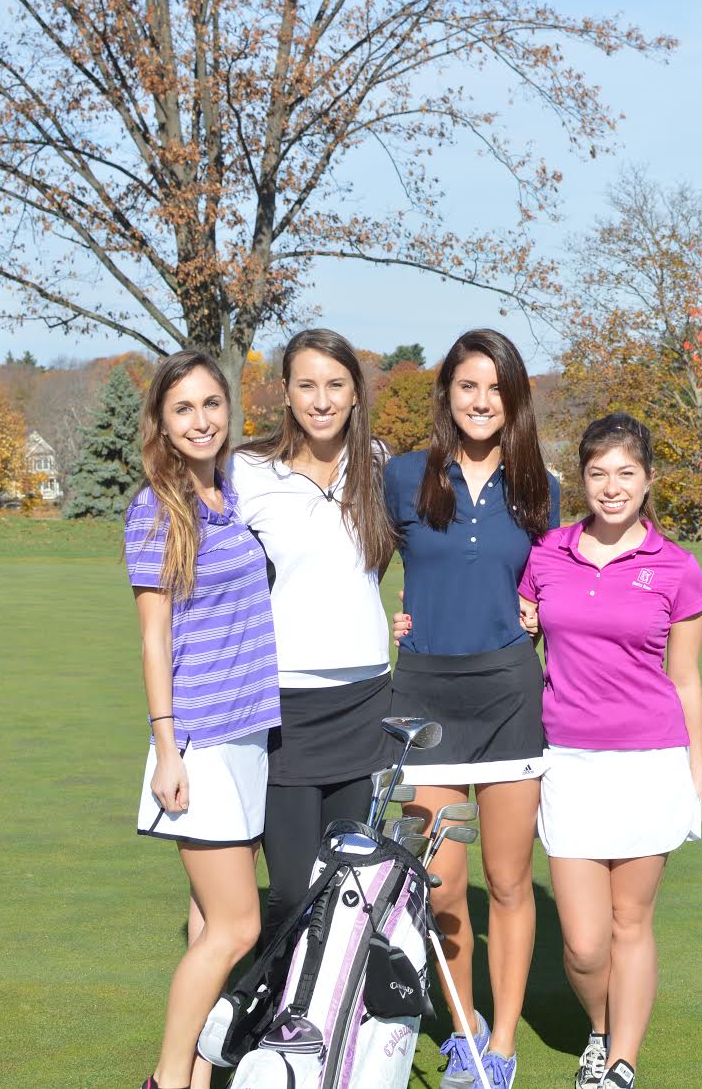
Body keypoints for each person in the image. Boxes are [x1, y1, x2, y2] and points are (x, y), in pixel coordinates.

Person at [385, 328, 559, 1089]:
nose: (481, 400)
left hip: (510, 699)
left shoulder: (540, 488)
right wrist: (377, 621)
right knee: (443, 883)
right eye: (467, 386)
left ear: (512, 398)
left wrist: (542, 617)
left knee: (511, 881)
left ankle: (502, 1046)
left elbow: (555, 584)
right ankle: (465, 1028)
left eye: (495, 387)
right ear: (447, 395)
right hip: (424, 698)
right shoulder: (399, 477)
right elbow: (350, 567)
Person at [516, 413, 702, 1089]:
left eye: (626, 472)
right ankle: (599, 1025)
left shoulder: (677, 569)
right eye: (598, 472)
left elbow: (685, 679)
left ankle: (621, 1057)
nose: (612, 486)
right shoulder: (547, 555)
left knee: (632, 922)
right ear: (583, 478)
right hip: (568, 762)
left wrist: (696, 776)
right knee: (583, 942)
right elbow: (515, 642)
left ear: (649, 480)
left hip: (651, 763)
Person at [126, 352, 281, 1089]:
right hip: (202, 739)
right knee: (237, 926)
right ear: (161, 420)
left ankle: (191, 1076)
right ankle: (166, 1080)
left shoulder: (232, 496)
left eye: (211, 404)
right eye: (183, 408)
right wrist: (167, 749)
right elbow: (154, 637)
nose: (200, 420)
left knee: (205, 918)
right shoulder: (156, 506)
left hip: (251, 734)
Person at [229, 328, 396, 951]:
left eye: (335, 385)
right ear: (285, 392)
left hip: (365, 702)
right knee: (293, 889)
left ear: (355, 393)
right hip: (285, 704)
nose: (321, 400)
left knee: (347, 886)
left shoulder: (377, 464)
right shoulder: (246, 471)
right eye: (307, 385)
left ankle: (326, 1036)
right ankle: (267, 1025)